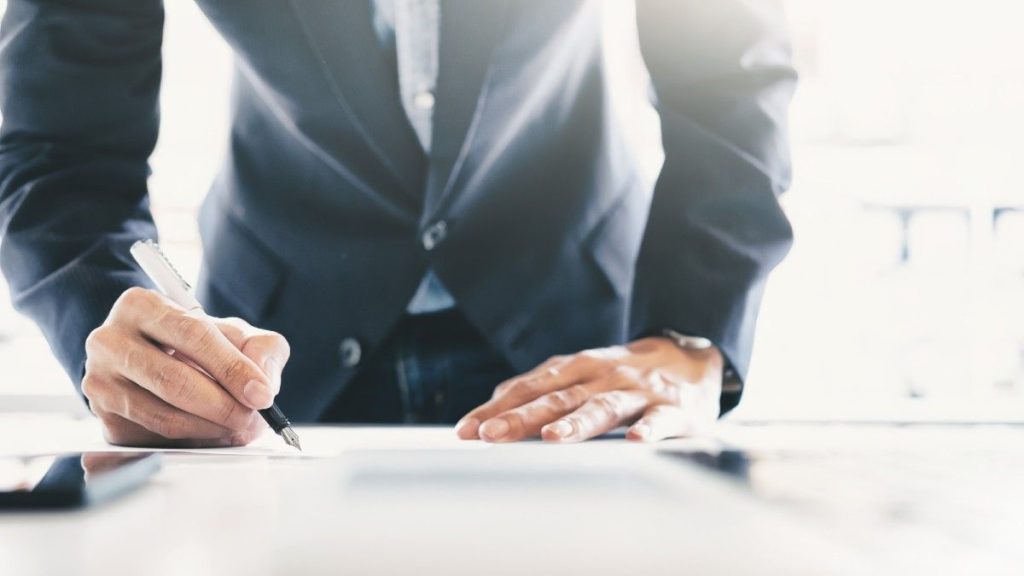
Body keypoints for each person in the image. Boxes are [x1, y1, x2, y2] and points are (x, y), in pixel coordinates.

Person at [0, 0, 796, 447]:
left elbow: (729, 80)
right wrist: (112, 325)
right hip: (268, 360)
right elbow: (60, 150)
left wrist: (693, 336)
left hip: (581, 345)